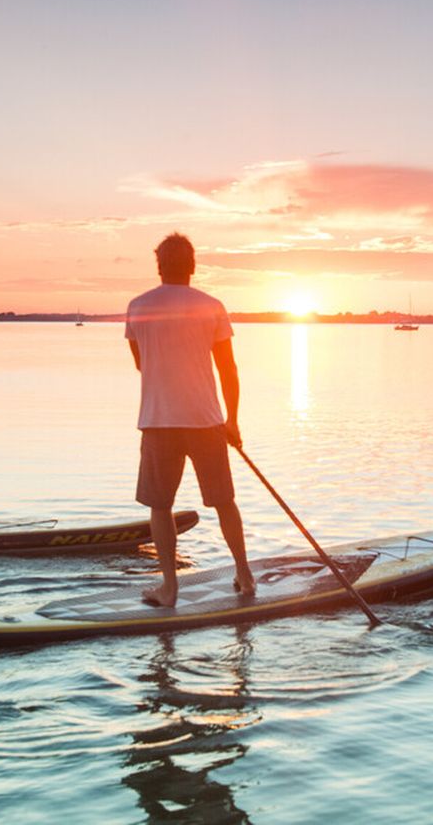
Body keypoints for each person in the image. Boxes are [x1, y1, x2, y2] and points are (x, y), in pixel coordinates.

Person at [125, 233, 254, 607]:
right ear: (193, 267)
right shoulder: (212, 306)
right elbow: (228, 369)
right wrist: (233, 420)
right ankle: (244, 574)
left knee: (160, 505)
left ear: (160, 267)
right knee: (224, 500)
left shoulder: (138, 306)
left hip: (158, 419)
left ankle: (169, 589)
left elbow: (140, 363)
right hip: (205, 420)